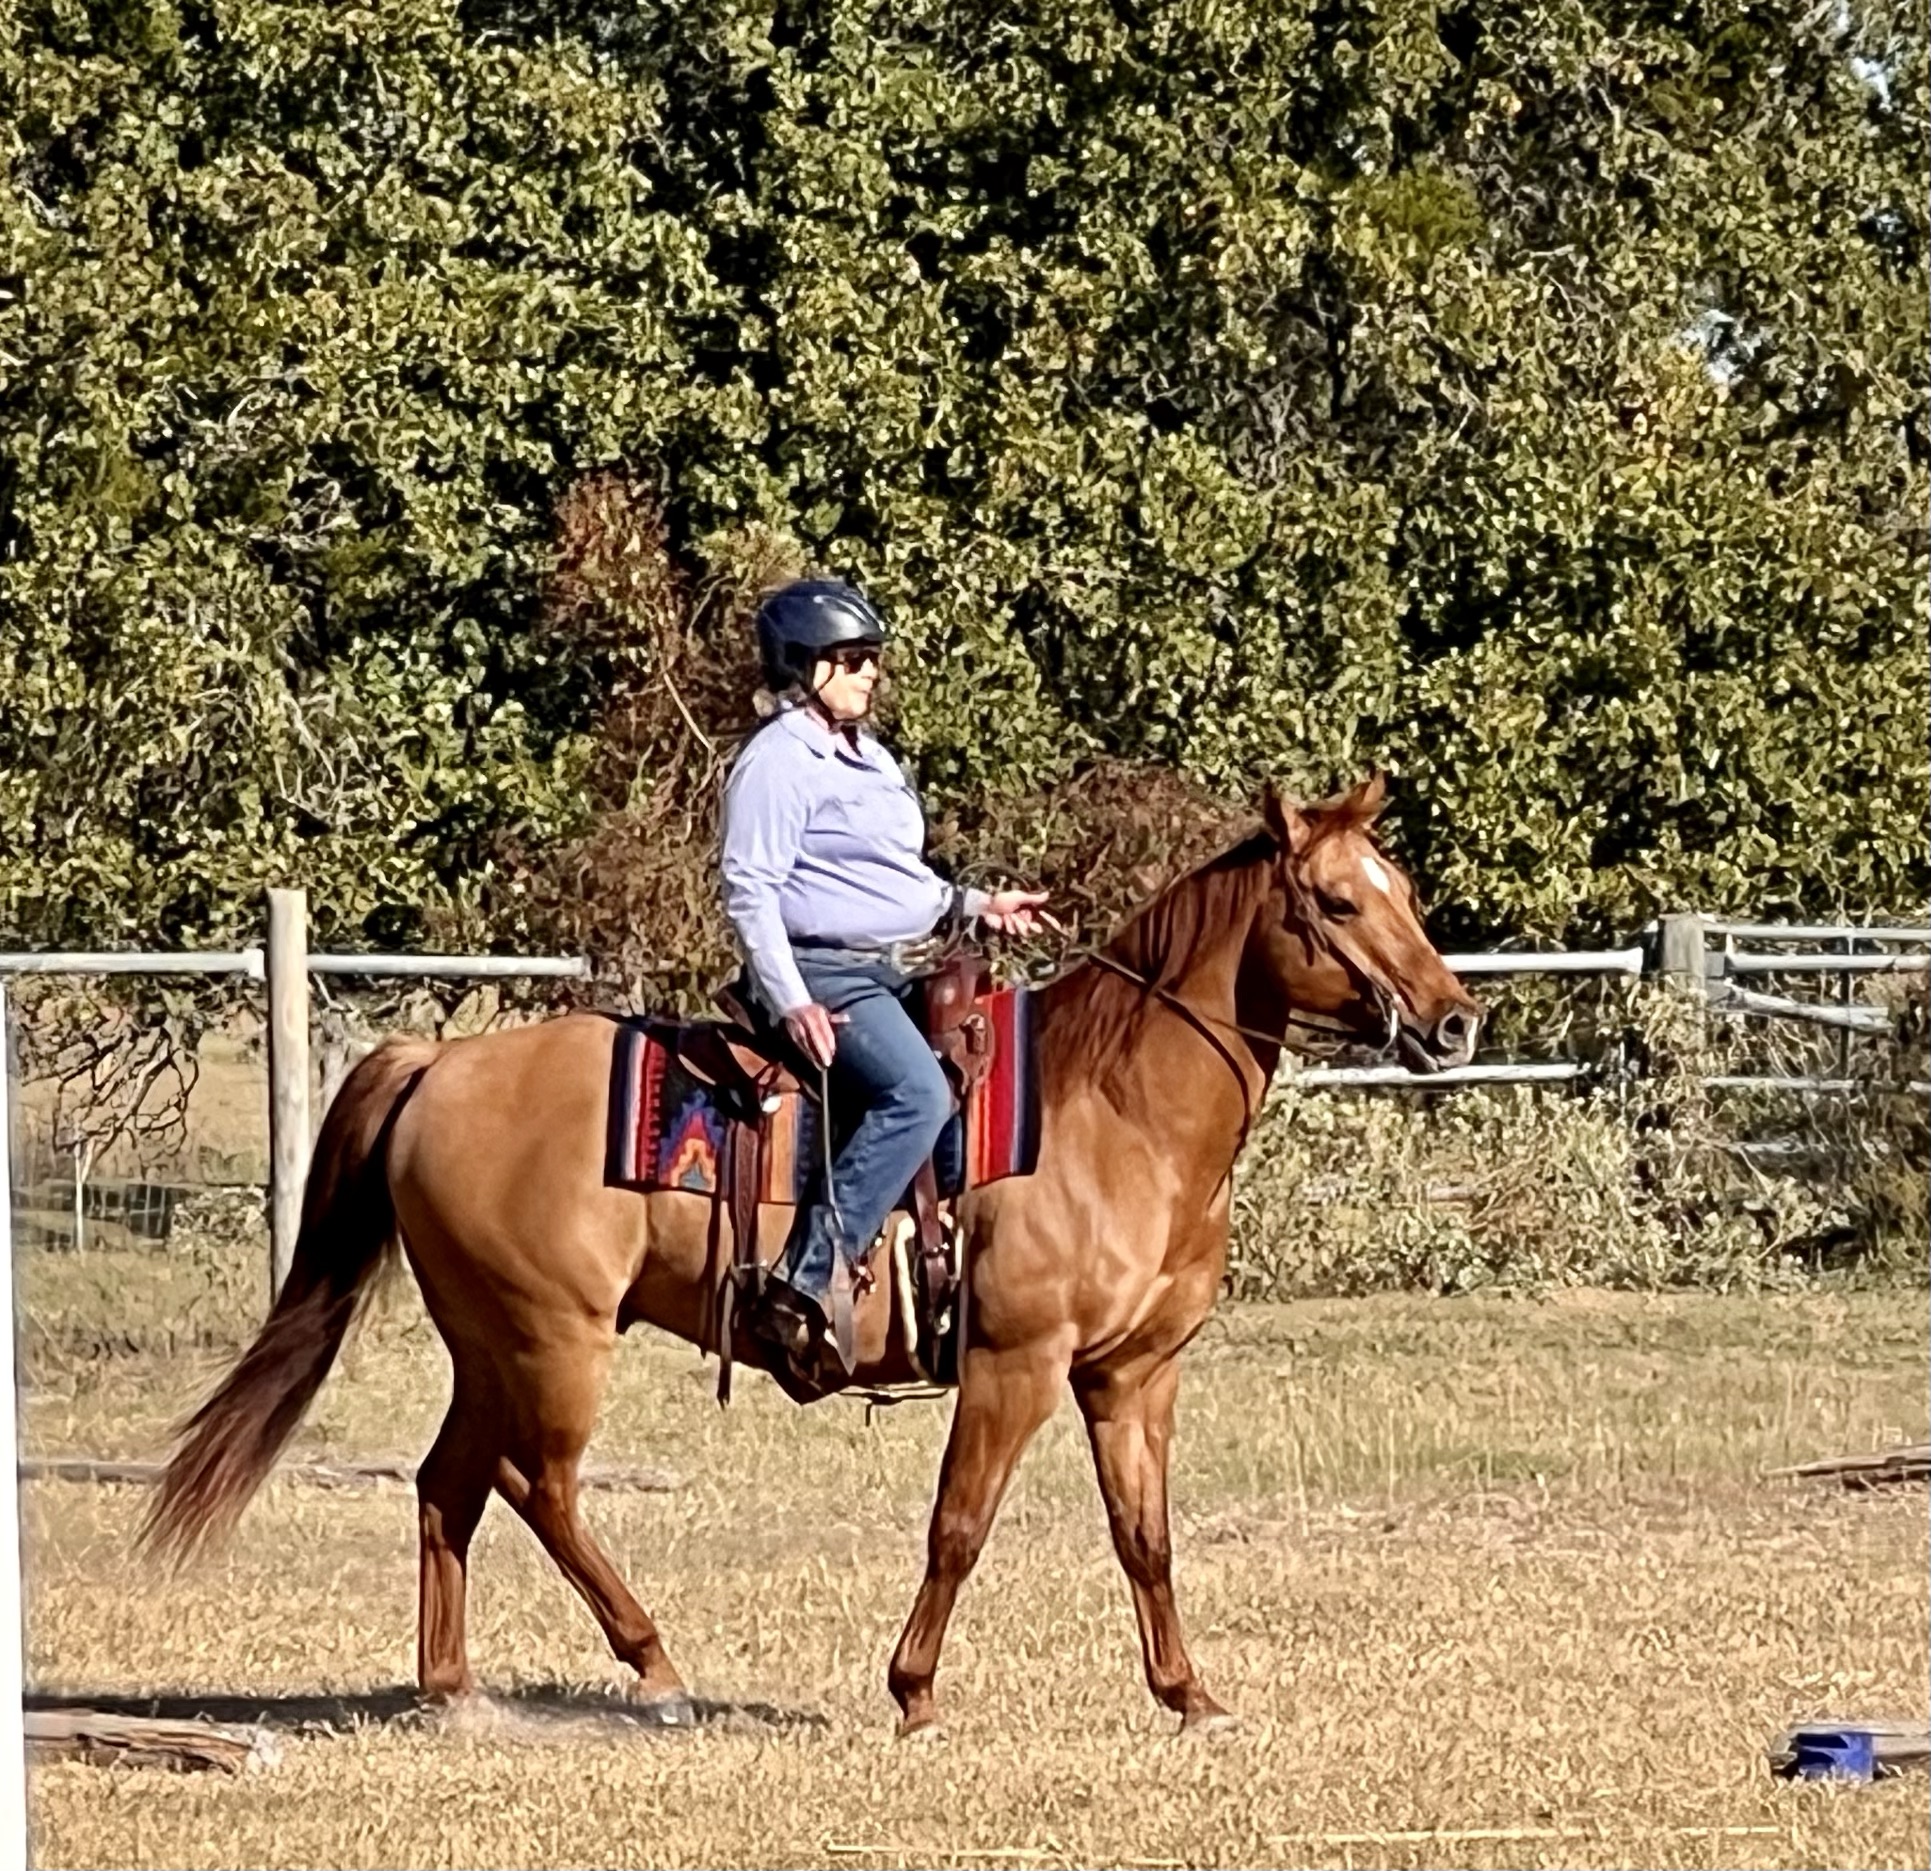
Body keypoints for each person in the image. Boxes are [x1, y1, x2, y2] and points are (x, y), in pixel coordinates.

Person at [720, 578, 1049, 1374]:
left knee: (982, 1074)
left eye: (872, 658)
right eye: (853, 658)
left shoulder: (869, 758)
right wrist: (792, 999)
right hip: (822, 969)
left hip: (889, 966)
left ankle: (934, 1275)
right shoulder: (778, 761)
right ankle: (802, 1280)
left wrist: (977, 904)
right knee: (917, 1093)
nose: (871, 672)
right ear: (805, 666)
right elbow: (749, 888)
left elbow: (898, 880)